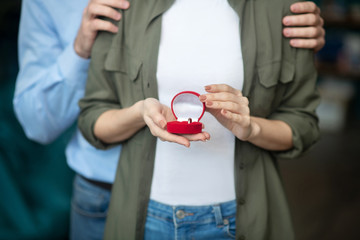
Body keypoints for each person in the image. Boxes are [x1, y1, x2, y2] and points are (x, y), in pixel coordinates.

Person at [14, 0, 323, 239]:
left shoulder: (278, 11)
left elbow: (302, 121)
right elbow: (58, 118)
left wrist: (252, 126)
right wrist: (83, 51)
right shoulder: (121, 9)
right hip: (120, 199)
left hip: (236, 209)